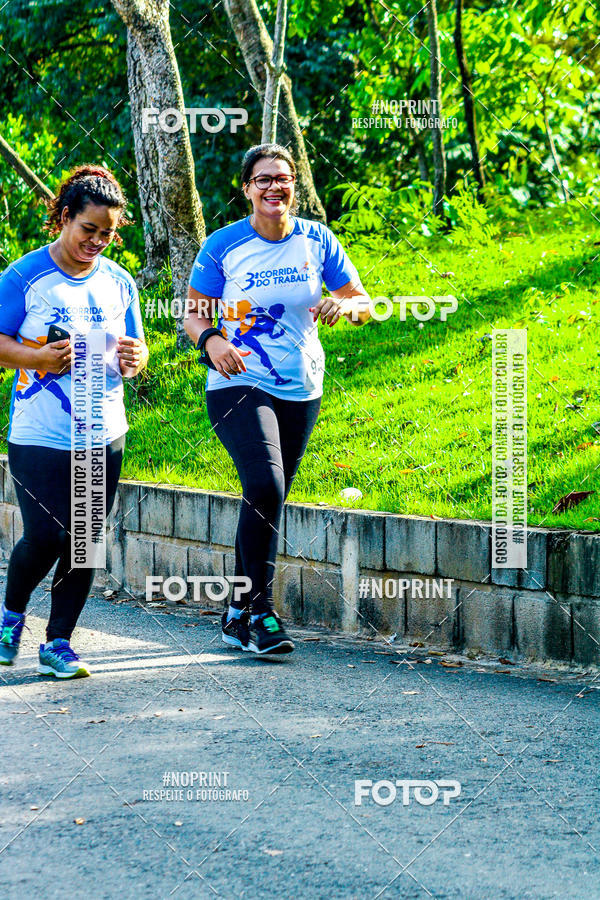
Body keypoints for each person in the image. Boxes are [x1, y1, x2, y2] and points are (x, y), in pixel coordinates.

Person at [185, 143, 370, 656]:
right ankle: (262, 613)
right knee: (266, 485)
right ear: (247, 188)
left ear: (294, 185)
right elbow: (193, 314)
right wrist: (211, 341)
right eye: (263, 179)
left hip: (301, 385)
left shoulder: (318, 239)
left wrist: (346, 306)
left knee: (266, 497)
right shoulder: (223, 245)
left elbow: (363, 303)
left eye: (283, 178)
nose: (274, 187)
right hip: (238, 381)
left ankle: (236, 611)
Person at [0, 165, 148, 678]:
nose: (97, 242)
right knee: (46, 535)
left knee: (85, 541)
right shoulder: (25, 276)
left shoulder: (118, 281)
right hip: (40, 431)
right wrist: (38, 358)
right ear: (65, 217)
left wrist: (135, 358)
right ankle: (10, 617)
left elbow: (136, 348)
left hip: (102, 429)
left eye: (108, 233)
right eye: (89, 229)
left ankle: (58, 643)